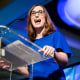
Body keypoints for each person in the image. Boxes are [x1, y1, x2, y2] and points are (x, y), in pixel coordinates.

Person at [0, 4, 73, 80]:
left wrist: (54, 53)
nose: (36, 15)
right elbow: (29, 74)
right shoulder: (29, 44)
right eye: (33, 13)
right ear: (30, 20)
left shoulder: (55, 36)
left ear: (46, 18)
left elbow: (64, 61)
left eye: (40, 12)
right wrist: (15, 63)